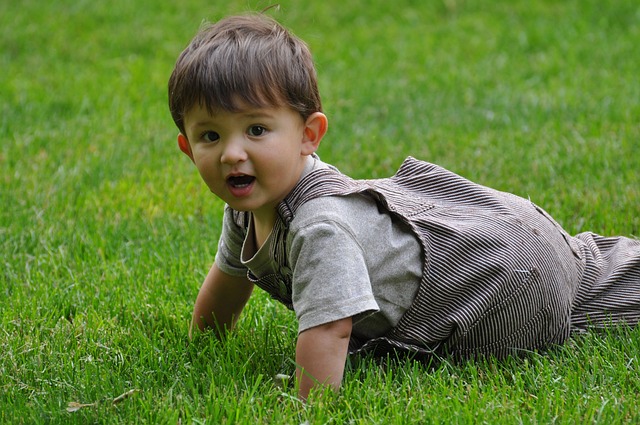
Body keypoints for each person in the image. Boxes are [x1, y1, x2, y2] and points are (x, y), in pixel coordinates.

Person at [167, 13, 640, 400]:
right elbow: (228, 284)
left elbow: (330, 329)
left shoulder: (319, 228)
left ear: (308, 136)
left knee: (590, 295)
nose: (232, 153)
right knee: (602, 267)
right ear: (188, 148)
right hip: (486, 240)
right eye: (212, 135)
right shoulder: (247, 208)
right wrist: (201, 351)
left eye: (256, 130)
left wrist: (306, 405)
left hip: (503, 281)